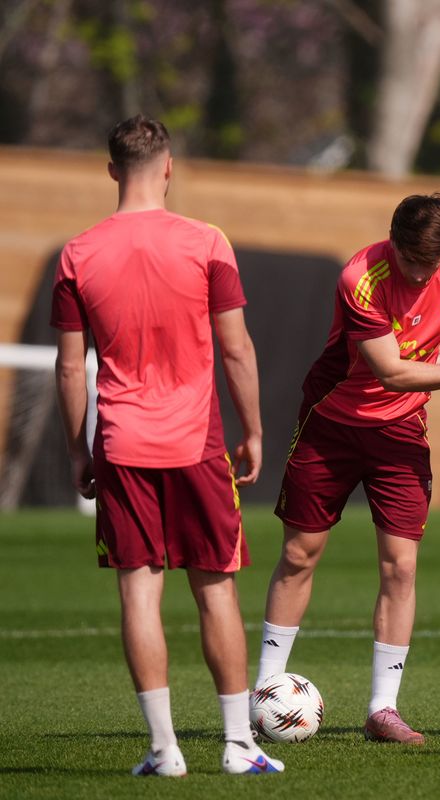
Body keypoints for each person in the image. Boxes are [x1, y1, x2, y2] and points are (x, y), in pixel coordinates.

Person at [51, 115, 283, 776]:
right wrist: (254, 430)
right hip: (197, 444)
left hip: (122, 445)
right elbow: (236, 349)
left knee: (138, 596)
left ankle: (164, 750)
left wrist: (77, 450)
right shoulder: (207, 241)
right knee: (216, 592)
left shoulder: (77, 253)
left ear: (111, 170)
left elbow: (69, 368)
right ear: (170, 166)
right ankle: (238, 747)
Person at [254, 193, 440, 745]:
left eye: (430, 263)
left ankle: (383, 709)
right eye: (409, 261)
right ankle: (263, 693)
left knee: (401, 567)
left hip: (401, 432)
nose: (419, 274)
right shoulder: (361, 277)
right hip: (332, 421)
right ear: (393, 242)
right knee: (300, 554)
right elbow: (391, 374)